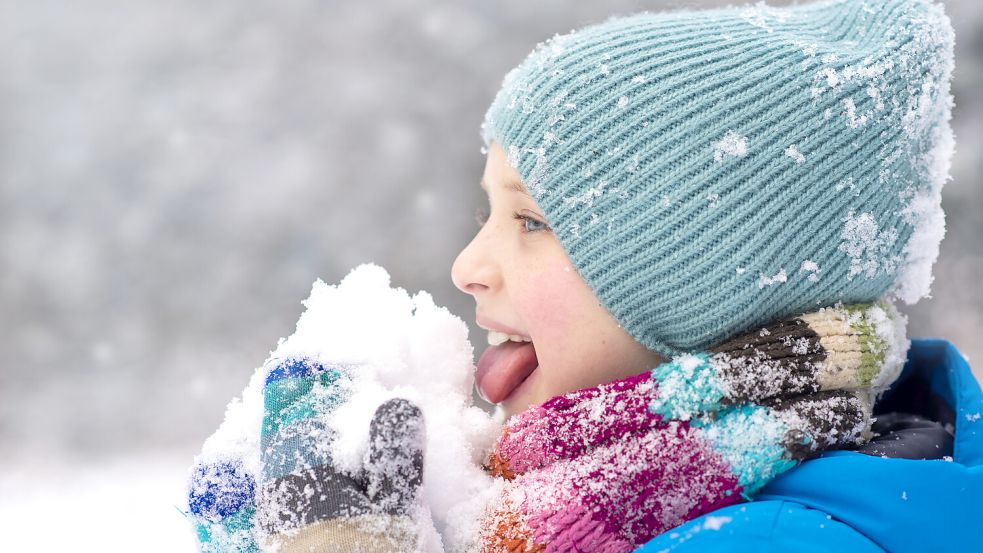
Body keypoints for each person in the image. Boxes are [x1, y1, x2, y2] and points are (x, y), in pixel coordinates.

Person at [189, 0, 982, 551]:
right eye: (487, 215)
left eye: (530, 221)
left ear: (703, 282)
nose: (469, 267)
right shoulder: (638, 505)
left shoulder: (767, 541)